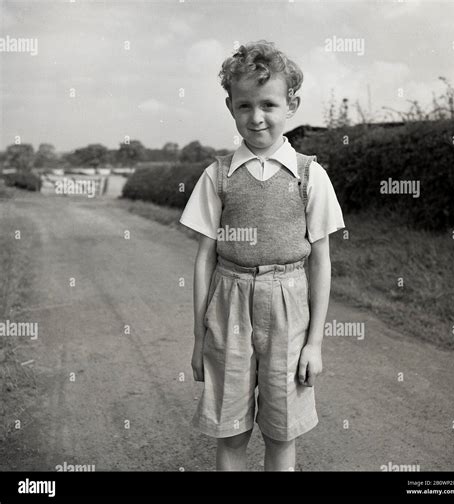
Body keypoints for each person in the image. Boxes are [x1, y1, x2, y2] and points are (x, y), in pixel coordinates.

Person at [179, 40, 345, 471]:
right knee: (230, 431)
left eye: (269, 104)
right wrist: (200, 337)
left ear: (292, 105)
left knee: (281, 431)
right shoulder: (217, 176)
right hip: (229, 302)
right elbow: (203, 259)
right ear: (230, 106)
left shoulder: (311, 175)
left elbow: (321, 260)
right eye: (245, 105)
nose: (256, 117)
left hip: (289, 306)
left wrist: (315, 343)